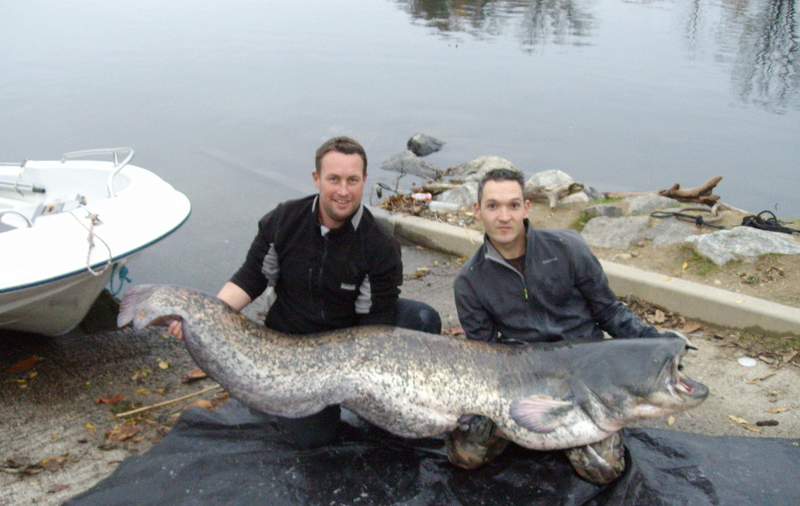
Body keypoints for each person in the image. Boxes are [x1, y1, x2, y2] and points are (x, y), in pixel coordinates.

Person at [169, 136, 441, 447]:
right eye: (333, 179)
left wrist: (355, 383)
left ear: (365, 180)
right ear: (316, 179)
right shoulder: (283, 220)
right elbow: (250, 278)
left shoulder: (380, 245)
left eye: (352, 180)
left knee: (422, 318)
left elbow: (374, 329)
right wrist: (202, 317)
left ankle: (379, 406)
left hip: (351, 340)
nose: (343, 191)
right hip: (291, 342)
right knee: (312, 437)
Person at [450, 167, 671, 483]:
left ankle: (562, 433)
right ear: (477, 211)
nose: (503, 216)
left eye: (513, 205)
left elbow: (609, 311)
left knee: (604, 469)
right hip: (523, 380)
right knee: (464, 454)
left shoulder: (569, 249)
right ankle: (535, 432)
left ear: (526, 208)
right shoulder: (469, 281)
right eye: (492, 206)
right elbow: (486, 354)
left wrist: (656, 344)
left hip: (585, 378)